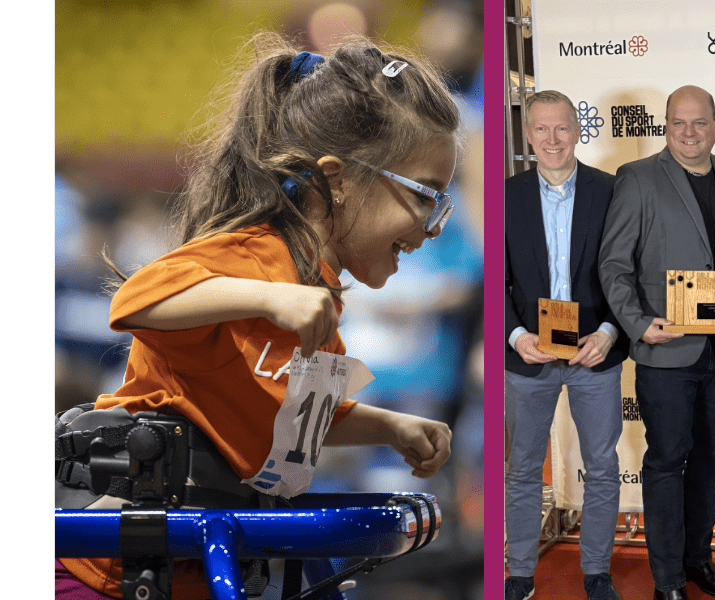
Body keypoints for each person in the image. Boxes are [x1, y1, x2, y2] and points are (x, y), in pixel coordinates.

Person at [54, 33, 457, 600]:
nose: (432, 225)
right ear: (339, 180)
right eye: (425, 195)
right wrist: (267, 297)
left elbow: (295, 422)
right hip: (110, 578)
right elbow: (135, 299)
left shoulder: (319, 294)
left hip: (204, 571)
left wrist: (390, 427)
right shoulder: (254, 255)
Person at [599, 85, 715, 600]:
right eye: (678, 122)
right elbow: (614, 264)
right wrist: (638, 324)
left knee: (711, 456)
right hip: (664, 348)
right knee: (666, 459)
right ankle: (668, 579)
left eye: (699, 122)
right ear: (665, 126)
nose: (689, 132)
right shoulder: (638, 178)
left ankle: (699, 560)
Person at [503, 90, 629, 600]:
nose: (552, 139)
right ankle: (520, 574)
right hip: (528, 355)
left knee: (602, 468)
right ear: (528, 134)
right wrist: (515, 334)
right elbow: (494, 280)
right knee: (523, 470)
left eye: (562, 128)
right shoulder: (505, 196)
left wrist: (609, 331)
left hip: (594, 353)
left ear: (579, 131)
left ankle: (596, 572)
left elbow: (629, 271)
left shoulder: (612, 191)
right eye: (541, 129)